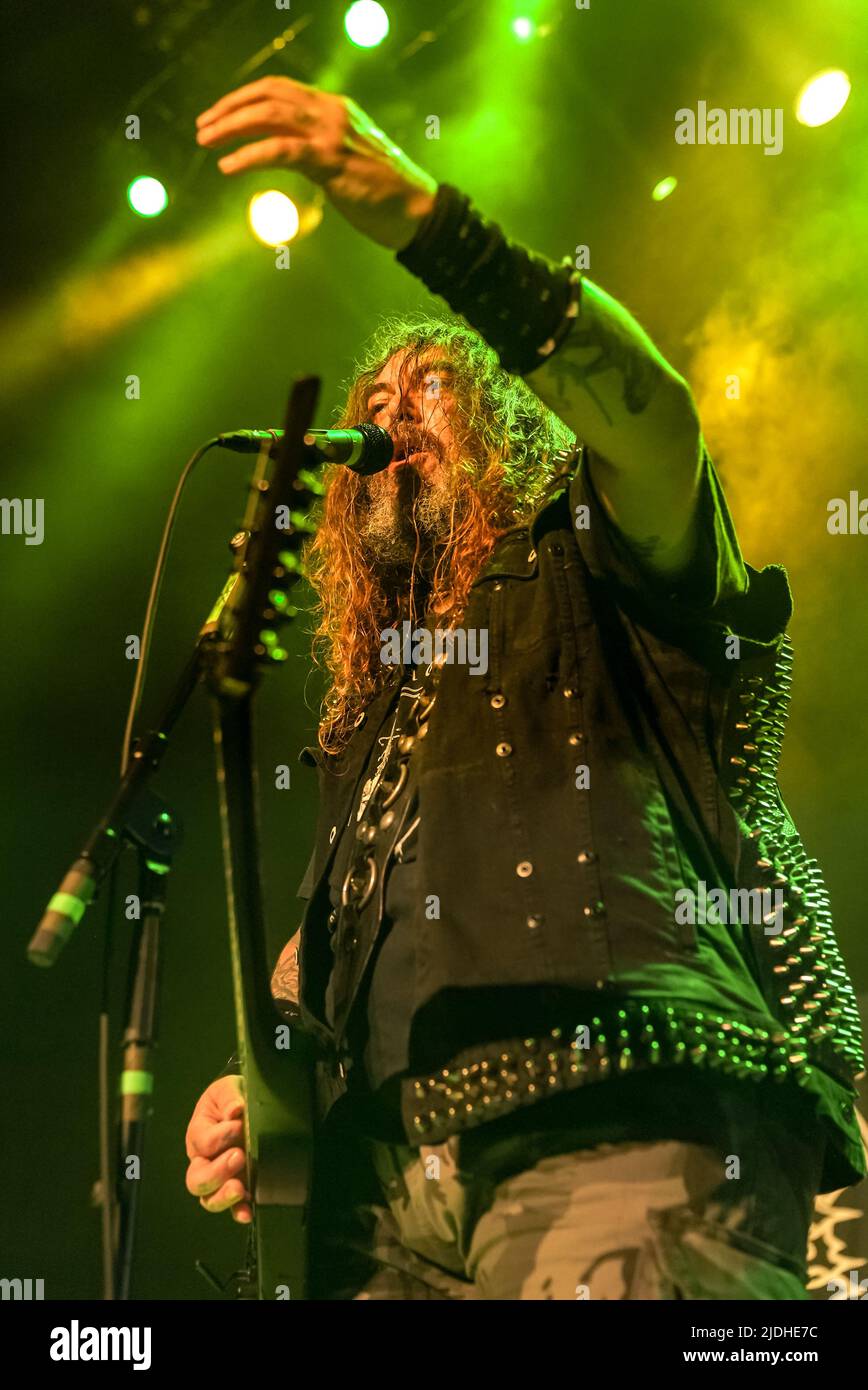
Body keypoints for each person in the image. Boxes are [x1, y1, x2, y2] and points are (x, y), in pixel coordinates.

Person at [184, 77, 866, 1299]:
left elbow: (656, 417)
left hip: (618, 1130)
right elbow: (342, 986)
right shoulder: (373, 722)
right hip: (386, 1210)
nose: (391, 415)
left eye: (430, 389)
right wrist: (259, 1108)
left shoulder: (590, 562)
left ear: (513, 421)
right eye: (373, 403)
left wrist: (423, 220)